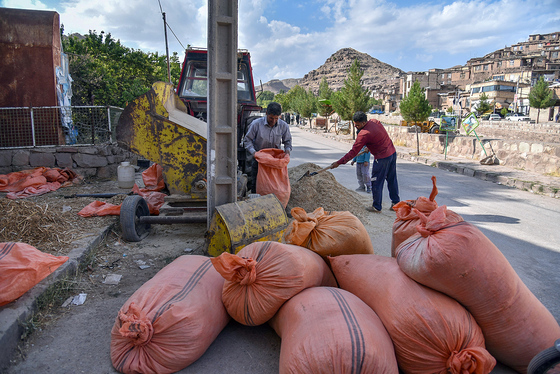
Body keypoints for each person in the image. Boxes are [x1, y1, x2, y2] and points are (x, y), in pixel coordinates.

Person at [330, 111, 400, 213]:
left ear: (363, 123)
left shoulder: (363, 134)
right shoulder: (374, 121)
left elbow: (353, 152)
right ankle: (396, 203)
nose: (356, 127)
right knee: (392, 179)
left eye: (357, 125)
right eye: (354, 124)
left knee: (376, 182)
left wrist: (339, 162)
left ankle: (376, 207)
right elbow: (379, 135)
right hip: (392, 153)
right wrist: (369, 146)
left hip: (382, 158)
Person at [244, 102, 292, 193]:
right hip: (259, 161)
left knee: (275, 185)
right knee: (257, 185)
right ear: (266, 114)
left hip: (275, 161)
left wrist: (287, 152)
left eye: (276, 118)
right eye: (271, 118)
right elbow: (247, 140)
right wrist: (254, 153)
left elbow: (288, 142)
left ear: (279, 116)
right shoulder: (256, 124)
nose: (273, 121)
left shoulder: (283, 126)